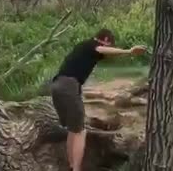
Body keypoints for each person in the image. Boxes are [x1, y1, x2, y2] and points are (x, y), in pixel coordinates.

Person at [50, 28, 146, 171]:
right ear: (105, 40)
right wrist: (129, 51)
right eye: (110, 45)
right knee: (80, 131)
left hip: (57, 86)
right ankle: (75, 168)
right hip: (68, 86)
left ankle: (71, 165)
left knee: (73, 129)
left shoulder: (83, 47)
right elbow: (102, 50)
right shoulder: (92, 45)